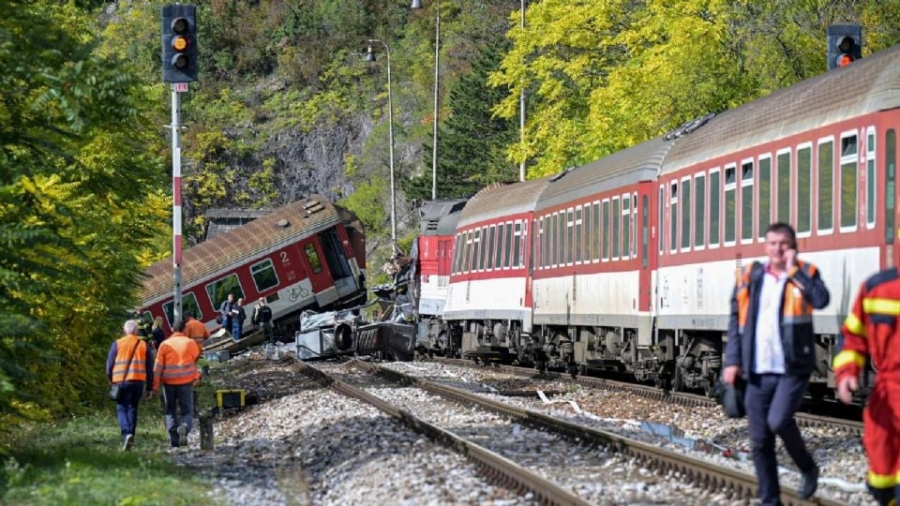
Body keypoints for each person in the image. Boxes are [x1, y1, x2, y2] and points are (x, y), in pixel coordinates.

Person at [722, 222, 830, 505]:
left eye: (784, 243)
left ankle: (808, 467)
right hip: (756, 369)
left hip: (792, 368)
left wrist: (794, 272)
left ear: (793, 246)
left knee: (778, 419)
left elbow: (821, 299)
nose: (778, 249)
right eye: (773, 243)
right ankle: (770, 501)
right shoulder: (749, 276)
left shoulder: (806, 273)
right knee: (759, 441)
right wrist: (732, 361)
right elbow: (735, 321)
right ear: (765, 246)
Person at [835, 267, 900, 505]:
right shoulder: (877, 288)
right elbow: (853, 335)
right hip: (887, 395)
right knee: (882, 475)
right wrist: (847, 372)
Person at [106, 320, 154, 451]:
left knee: (122, 408)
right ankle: (131, 436)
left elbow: (109, 365)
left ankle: (126, 434)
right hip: (138, 382)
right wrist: (150, 387)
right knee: (133, 408)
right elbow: (150, 368)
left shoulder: (117, 344)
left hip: (121, 381)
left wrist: (110, 379)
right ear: (136, 331)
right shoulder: (143, 345)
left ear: (124, 330)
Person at [152, 319, 200, 448]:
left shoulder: (164, 344)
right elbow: (195, 359)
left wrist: (155, 386)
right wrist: (195, 376)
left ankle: (174, 441)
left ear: (172, 329)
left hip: (168, 383)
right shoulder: (190, 343)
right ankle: (184, 427)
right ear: (184, 329)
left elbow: (157, 367)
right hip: (186, 382)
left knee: (170, 411)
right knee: (187, 411)